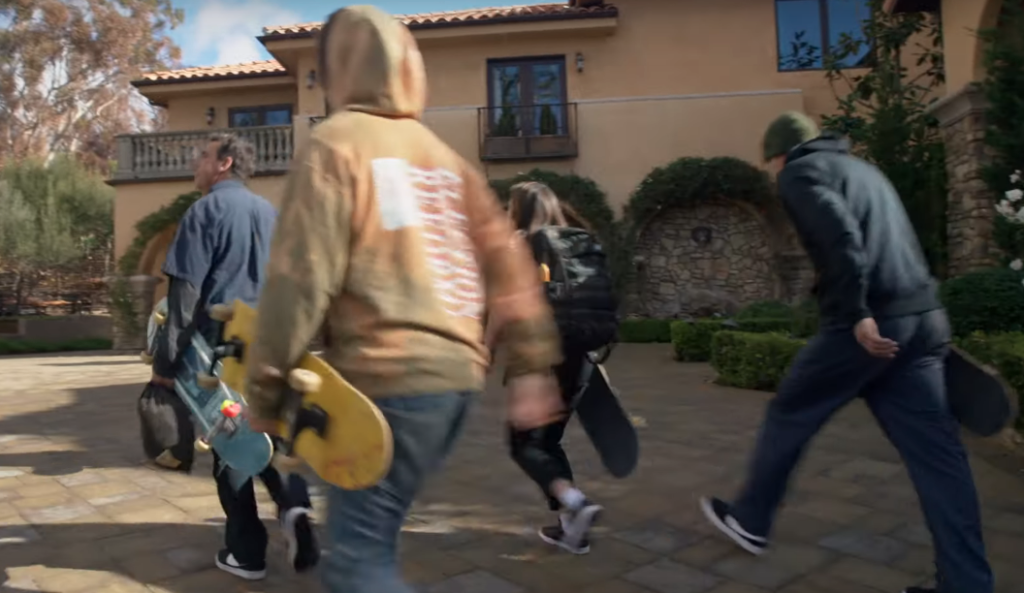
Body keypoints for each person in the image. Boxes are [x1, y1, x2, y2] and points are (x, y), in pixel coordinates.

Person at [240, 6, 564, 593]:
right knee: (374, 536)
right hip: (458, 383)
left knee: (357, 562)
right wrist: (532, 367)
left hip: (385, 382)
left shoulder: (335, 145)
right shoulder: (445, 158)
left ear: (339, 69)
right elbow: (509, 259)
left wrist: (263, 393)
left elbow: (299, 281)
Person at [698, 111, 993, 593]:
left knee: (791, 411)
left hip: (867, 327)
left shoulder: (800, 172)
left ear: (778, 154)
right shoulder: (865, 171)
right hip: (923, 317)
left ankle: (751, 519)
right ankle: (967, 583)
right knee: (939, 459)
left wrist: (856, 312)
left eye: (771, 164)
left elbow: (841, 240)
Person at [150, 133, 319, 581]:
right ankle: (296, 506)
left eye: (202, 156)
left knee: (232, 445)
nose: (195, 162)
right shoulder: (271, 213)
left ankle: (246, 553)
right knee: (272, 434)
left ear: (223, 163)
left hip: (219, 352)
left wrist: (165, 366)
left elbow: (183, 299)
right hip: (272, 347)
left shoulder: (204, 211)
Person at [504, 181, 618, 554]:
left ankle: (574, 502)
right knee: (548, 440)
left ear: (519, 210)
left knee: (523, 444)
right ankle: (572, 528)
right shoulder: (579, 240)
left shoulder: (521, 243)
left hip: (540, 356)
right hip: (578, 354)